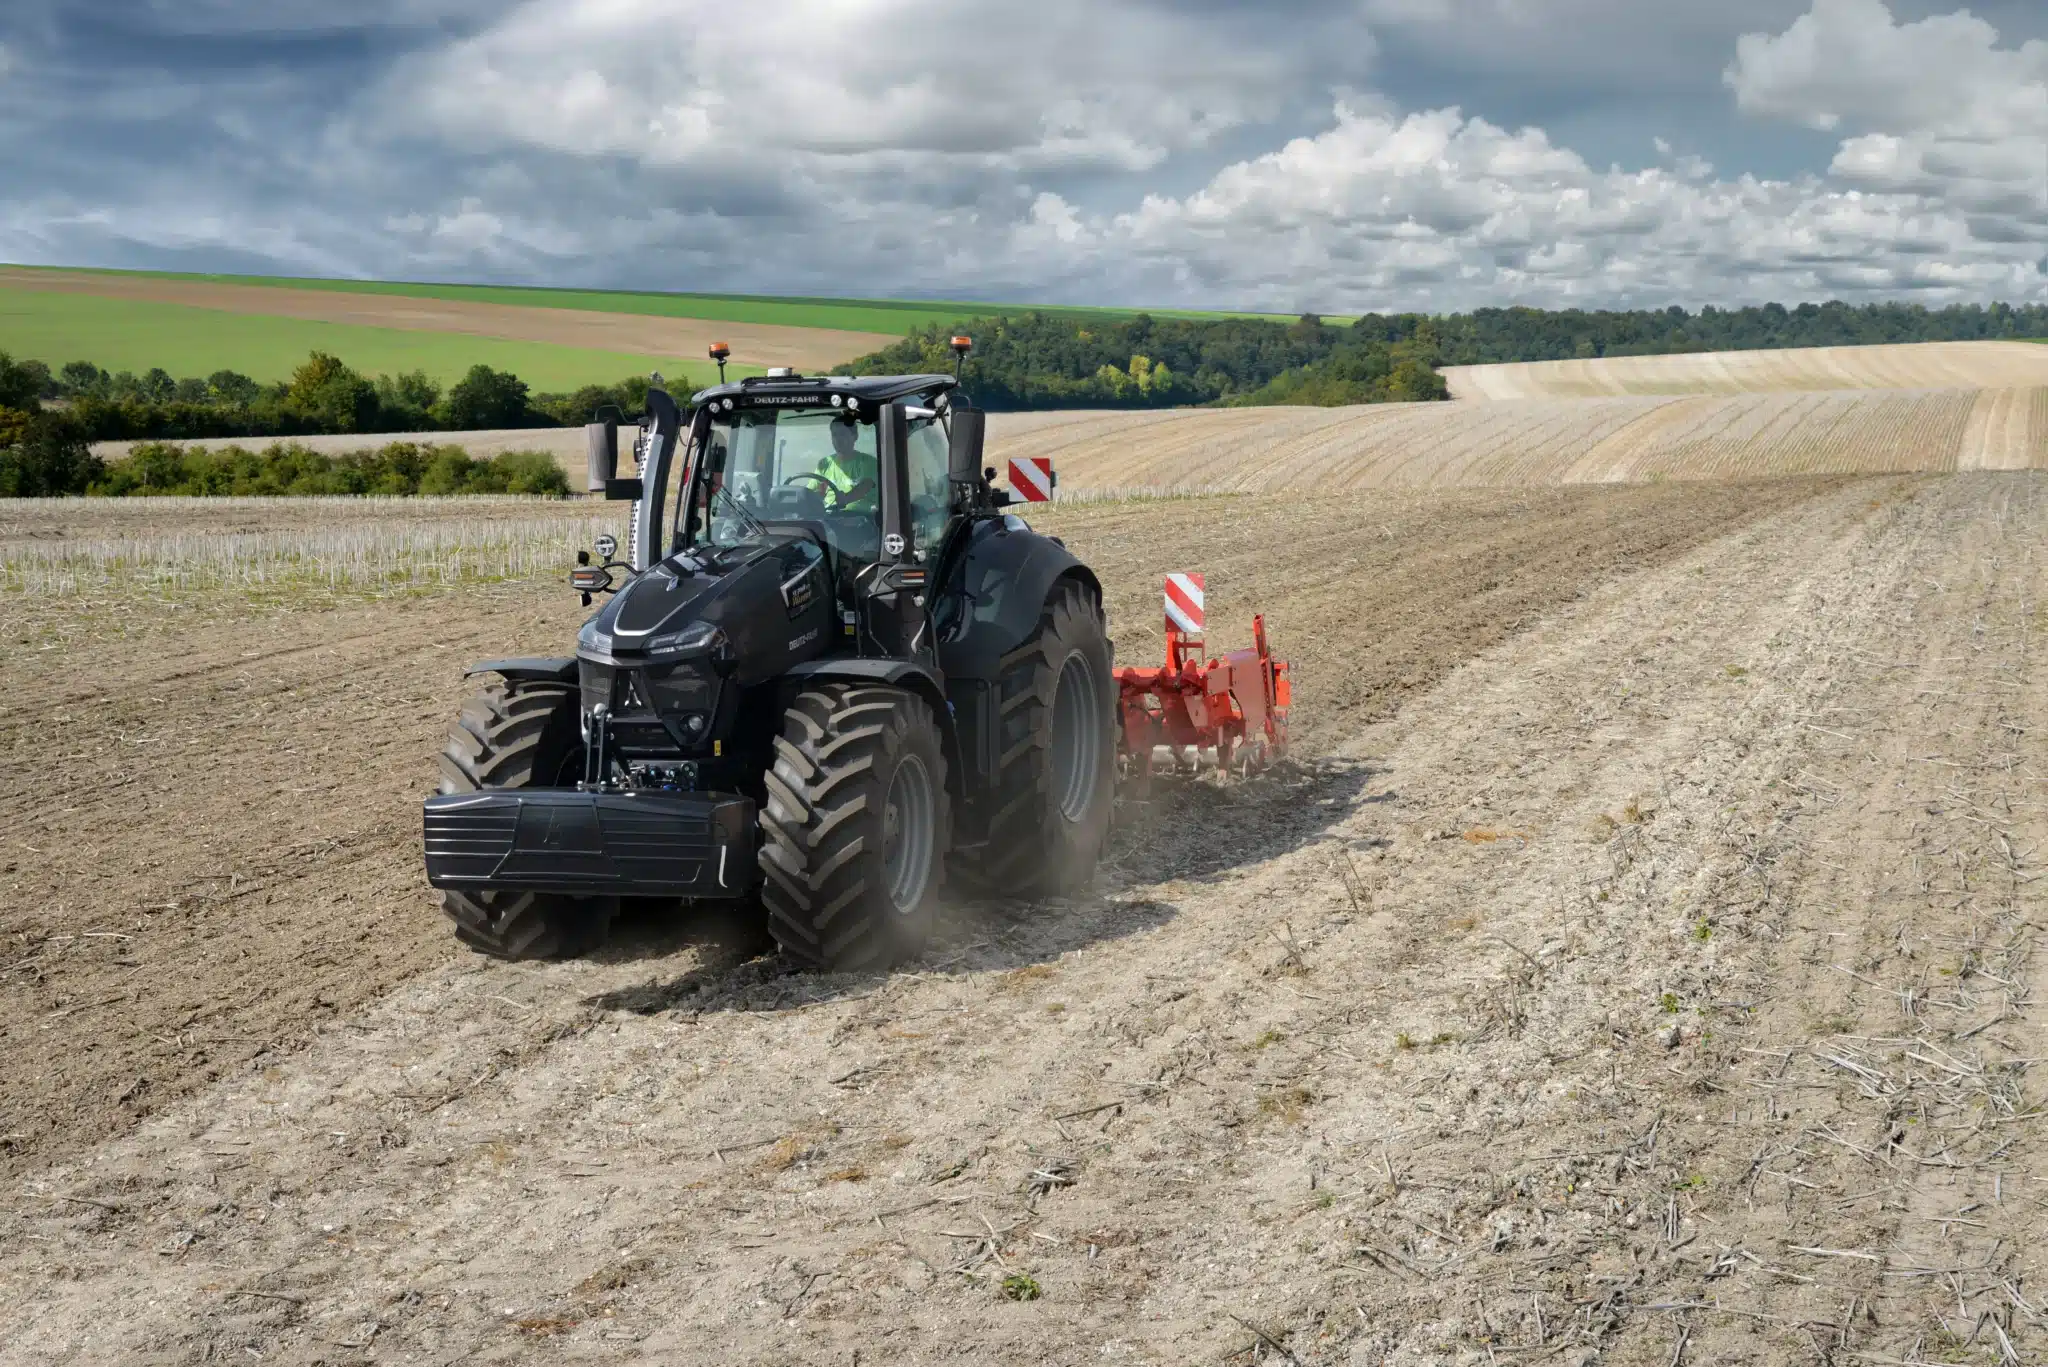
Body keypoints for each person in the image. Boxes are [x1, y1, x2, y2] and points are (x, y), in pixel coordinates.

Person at [816, 417, 877, 510]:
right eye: (834, 435)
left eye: (842, 434)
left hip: (862, 519)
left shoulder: (868, 462)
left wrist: (845, 499)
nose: (838, 439)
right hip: (828, 518)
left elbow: (864, 487)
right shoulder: (824, 464)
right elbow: (814, 491)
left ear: (855, 436)